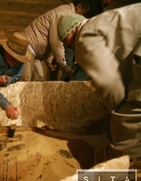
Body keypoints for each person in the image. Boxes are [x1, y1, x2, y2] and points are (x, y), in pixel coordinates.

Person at [57, 4, 141, 164]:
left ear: (71, 31)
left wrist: (117, 112)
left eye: (65, 40)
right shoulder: (100, 23)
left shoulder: (83, 36)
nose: (67, 45)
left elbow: (108, 81)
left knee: (125, 138)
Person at [20, 0, 92, 82]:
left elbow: (52, 39)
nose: (83, 16)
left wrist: (49, 61)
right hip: (29, 46)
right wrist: (64, 65)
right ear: (79, 7)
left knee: (39, 79)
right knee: (25, 79)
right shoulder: (63, 14)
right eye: (84, 13)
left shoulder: (66, 13)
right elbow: (56, 42)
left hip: (36, 50)